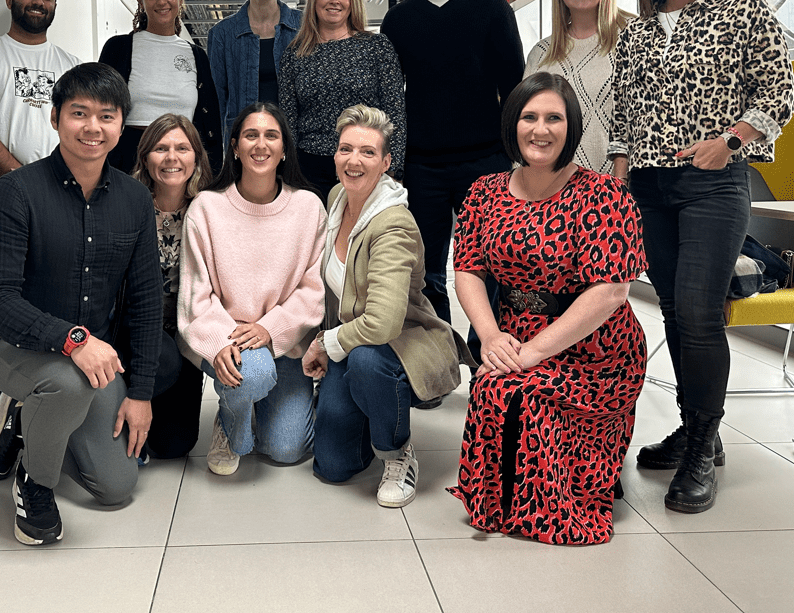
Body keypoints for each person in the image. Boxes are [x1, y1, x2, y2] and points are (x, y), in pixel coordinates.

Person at [610, 0, 794, 513]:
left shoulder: (746, 12)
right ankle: (696, 430)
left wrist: (732, 140)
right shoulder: (638, 32)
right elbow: (624, 115)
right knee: (672, 309)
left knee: (698, 312)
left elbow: (780, 94)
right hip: (651, 188)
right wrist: (619, 178)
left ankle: (703, 447)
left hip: (712, 184)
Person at [448, 73, 647, 545]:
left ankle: (577, 483)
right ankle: (510, 495)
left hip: (596, 351)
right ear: (512, 125)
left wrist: (534, 352)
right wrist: (492, 337)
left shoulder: (605, 195)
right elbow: (468, 270)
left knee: (530, 396)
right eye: (529, 117)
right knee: (493, 387)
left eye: (553, 118)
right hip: (515, 335)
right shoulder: (485, 191)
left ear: (571, 126)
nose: (541, 130)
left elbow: (611, 293)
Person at [0, 63, 162, 546]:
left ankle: (23, 426)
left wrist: (139, 394)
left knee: (116, 488)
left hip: (91, 361)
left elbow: (144, 300)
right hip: (12, 345)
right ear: (55, 118)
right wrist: (72, 340)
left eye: (106, 116)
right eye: (79, 113)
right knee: (63, 382)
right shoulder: (15, 192)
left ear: (122, 124)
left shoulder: (135, 200)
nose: (92, 128)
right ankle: (35, 486)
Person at [304, 105, 472, 507]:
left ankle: (397, 452)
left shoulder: (392, 224)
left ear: (386, 162)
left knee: (367, 362)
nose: (354, 160)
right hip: (353, 340)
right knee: (332, 466)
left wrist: (324, 345)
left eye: (367, 152)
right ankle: (367, 409)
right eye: (346, 149)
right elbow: (335, 290)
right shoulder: (337, 197)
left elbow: (380, 324)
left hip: (398, 343)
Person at [381, 0, 525, 325]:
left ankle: (492, 361)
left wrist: (514, 157)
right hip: (423, 166)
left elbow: (513, 88)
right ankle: (438, 361)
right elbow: (392, 98)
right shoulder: (399, 21)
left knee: (495, 266)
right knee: (425, 273)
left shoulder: (492, 9)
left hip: (487, 161)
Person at [178, 101, 324, 476]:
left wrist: (269, 329)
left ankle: (248, 399)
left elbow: (313, 289)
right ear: (234, 146)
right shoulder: (206, 208)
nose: (261, 144)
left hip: (284, 340)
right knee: (254, 375)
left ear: (284, 148)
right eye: (251, 135)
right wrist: (221, 343)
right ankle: (231, 421)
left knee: (287, 449)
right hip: (227, 338)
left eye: (271, 135)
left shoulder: (308, 207)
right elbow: (196, 295)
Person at [0, 0, 81, 433]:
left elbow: (81, 129)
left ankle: (50, 391)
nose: (38, 1)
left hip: (63, 196)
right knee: (0, 295)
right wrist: (24, 181)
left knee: (54, 294)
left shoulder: (70, 64)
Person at [117, 114, 213, 459]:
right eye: (161, 148)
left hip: (187, 333)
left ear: (196, 157)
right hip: (134, 331)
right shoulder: (126, 204)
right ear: (145, 157)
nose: (172, 157)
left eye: (182, 148)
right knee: (161, 358)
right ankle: (108, 414)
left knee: (175, 445)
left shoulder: (210, 209)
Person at [279, 0, 407, 200]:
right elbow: (288, 120)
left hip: (365, 164)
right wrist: (290, 173)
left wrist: (394, 168)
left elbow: (395, 111)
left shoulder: (377, 47)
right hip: (310, 170)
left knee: (363, 235)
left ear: (352, 1)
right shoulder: (294, 55)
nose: (334, 1)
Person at [99, 0, 222, 171]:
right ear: (140, 1)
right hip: (129, 162)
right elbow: (99, 109)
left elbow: (210, 121)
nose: (161, 1)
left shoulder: (197, 56)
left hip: (180, 164)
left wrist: (214, 174)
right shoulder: (118, 48)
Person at [524, 0, 631, 173]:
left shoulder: (633, 38)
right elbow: (526, 127)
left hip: (621, 188)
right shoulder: (541, 53)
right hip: (554, 189)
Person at [207, 0, 301, 139]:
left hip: (294, 141)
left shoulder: (304, 27)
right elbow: (217, 102)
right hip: (244, 141)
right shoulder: (222, 34)